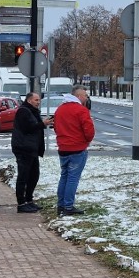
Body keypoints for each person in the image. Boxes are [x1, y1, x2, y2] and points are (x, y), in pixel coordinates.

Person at [53, 85, 95, 216]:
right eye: (85, 95)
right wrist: (86, 141)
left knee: (64, 176)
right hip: (77, 148)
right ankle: (68, 206)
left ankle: (61, 205)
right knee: (73, 178)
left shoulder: (60, 109)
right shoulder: (81, 110)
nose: (86, 98)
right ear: (78, 96)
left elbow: (56, 127)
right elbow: (89, 131)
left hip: (63, 148)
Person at [11, 92, 53, 213]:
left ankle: (29, 200)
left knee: (34, 175)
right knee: (23, 176)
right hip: (23, 148)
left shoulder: (32, 111)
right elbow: (28, 128)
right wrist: (42, 124)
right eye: (36, 100)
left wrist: (42, 124)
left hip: (32, 149)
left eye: (39, 100)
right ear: (29, 100)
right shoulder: (23, 111)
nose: (38, 102)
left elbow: (34, 126)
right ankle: (21, 203)